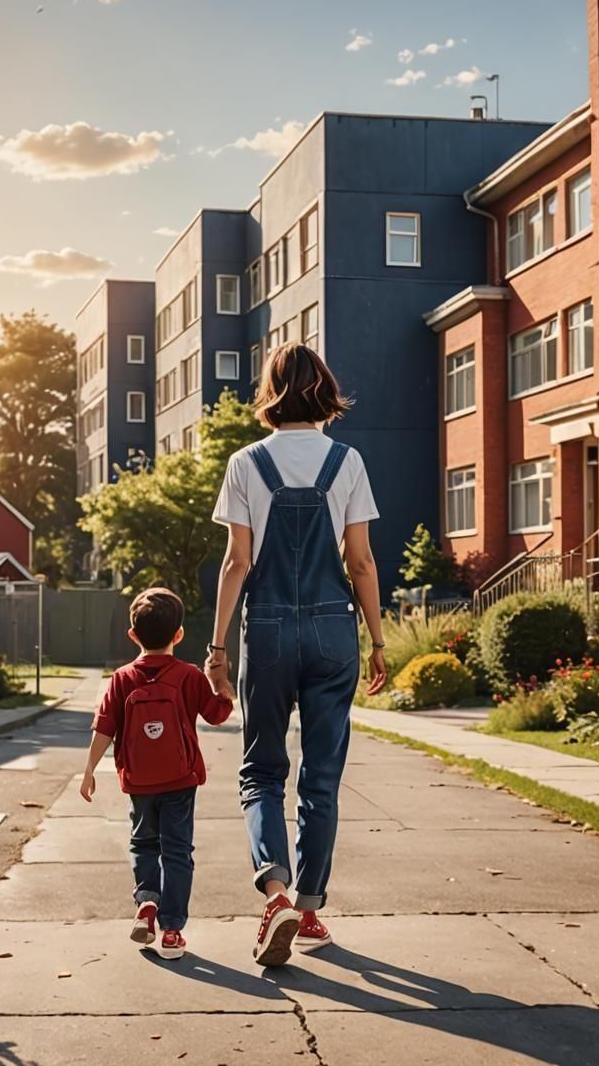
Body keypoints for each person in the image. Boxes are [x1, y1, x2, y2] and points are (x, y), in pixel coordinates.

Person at [206, 342, 388, 967]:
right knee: (322, 778)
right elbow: (359, 561)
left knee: (261, 771)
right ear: (324, 391)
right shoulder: (349, 461)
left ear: (271, 392)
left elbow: (237, 562)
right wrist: (379, 638)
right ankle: (308, 910)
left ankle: (275, 892)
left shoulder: (245, 462)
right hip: (335, 633)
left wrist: (217, 646)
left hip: (271, 628)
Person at [81, 587, 234, 960]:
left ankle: (147, 902)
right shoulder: (188, 676)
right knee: (178, 851)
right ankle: (171, 930)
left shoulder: (121, 678)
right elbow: (216, 714)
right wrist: (223, 687)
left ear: (133, 635)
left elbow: (104, 727)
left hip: (139, 781)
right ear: (179, 635)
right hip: (180, 780)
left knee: (143, 843)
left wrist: (88, 770)